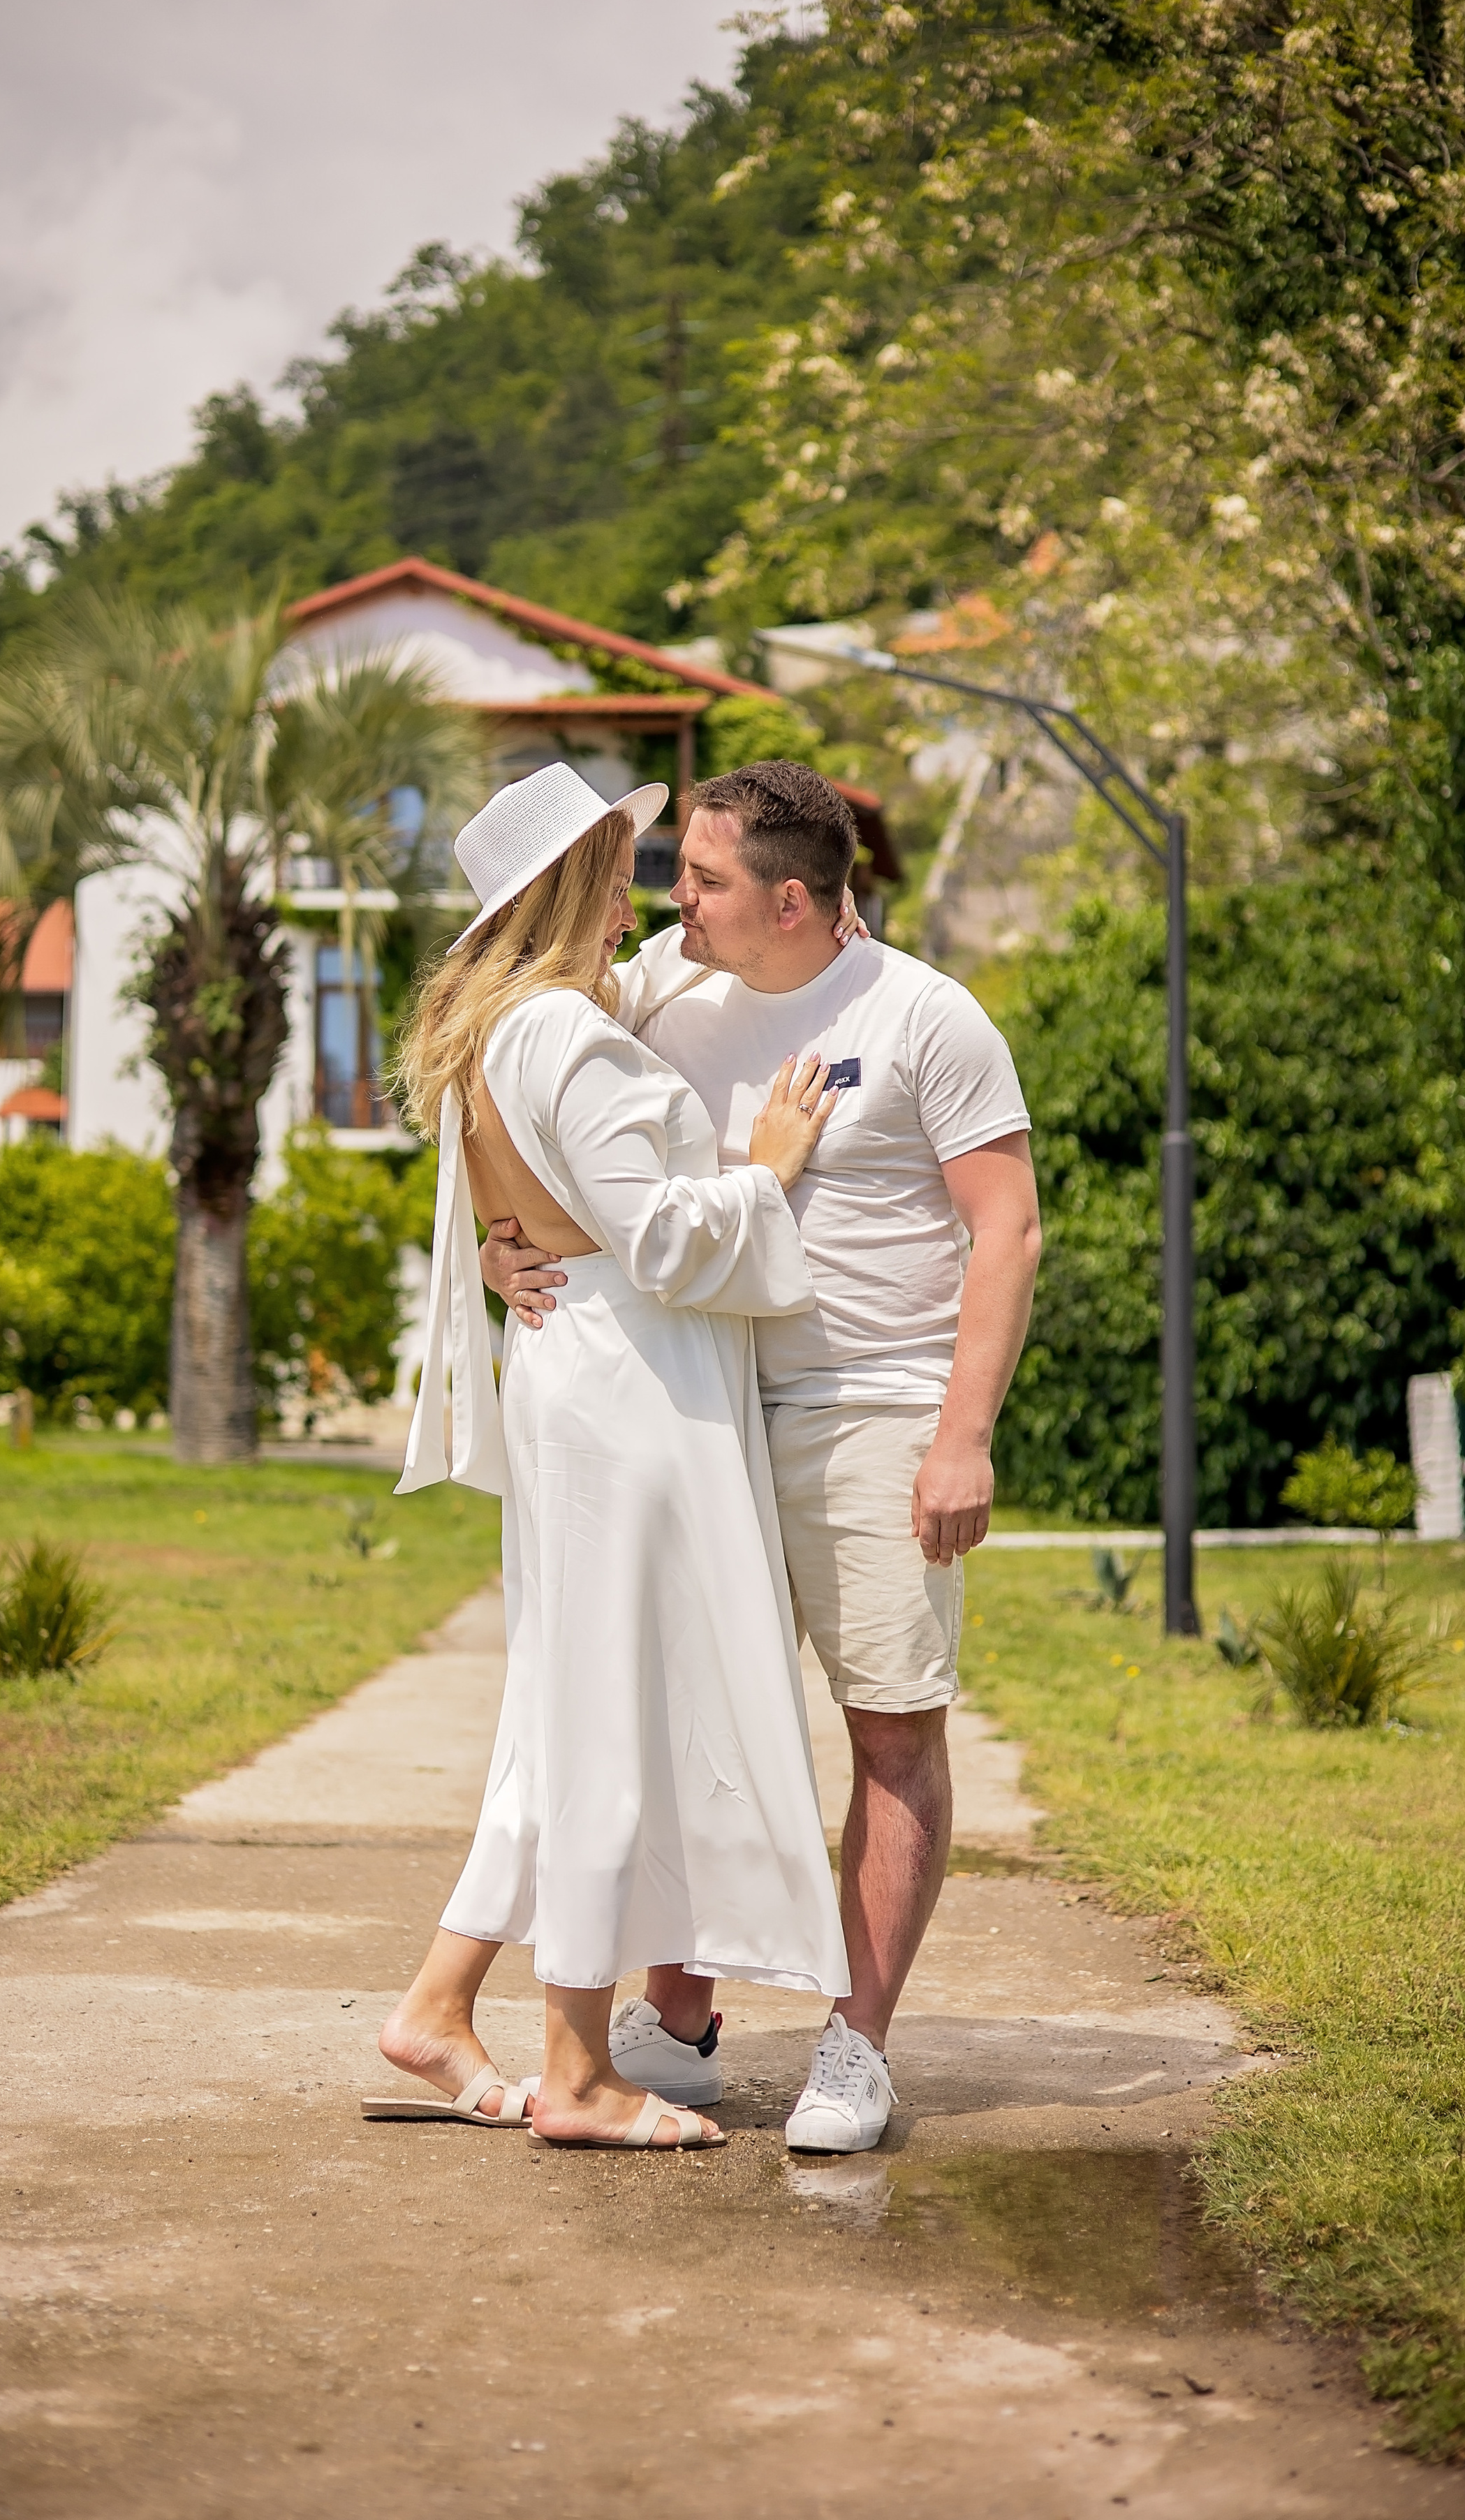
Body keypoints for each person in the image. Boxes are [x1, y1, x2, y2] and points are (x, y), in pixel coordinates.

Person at [485, 760, 1042, 2152]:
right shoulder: (661, 992)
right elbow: (523, 1086)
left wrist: (961, 1438)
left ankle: (857, 2046)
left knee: (890, 1727)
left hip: (875, 1413)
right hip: (702, 1404)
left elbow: (1008, 1227)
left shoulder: (925, 1016)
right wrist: (505, 1243)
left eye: (705, 877)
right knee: (690, 1722)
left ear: (792, 901)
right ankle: (677, 2021)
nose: (673, 896)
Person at [370, 760, 852, 2153]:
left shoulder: (507, 1027)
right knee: (605, 1720)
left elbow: (526, 1201)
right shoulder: (564, 1041)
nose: (643, 899)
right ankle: (577, 2073)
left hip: (579, 1369)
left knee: (564, 1709)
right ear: (573, 885)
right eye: (622, 871)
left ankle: (437, 2006)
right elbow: (655, 1237)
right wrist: (766, 1171)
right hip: (625, 1392)